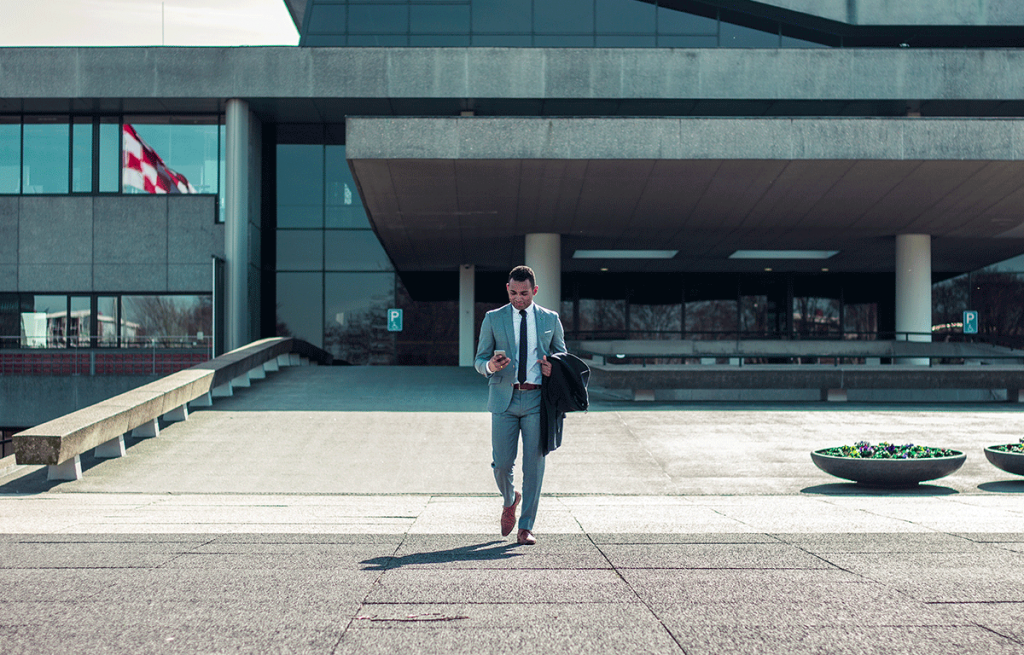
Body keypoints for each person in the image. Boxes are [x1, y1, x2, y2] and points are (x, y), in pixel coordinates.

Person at [474, 265, 566, 545]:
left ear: (534, 291)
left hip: (538, 400)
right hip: (504, 398)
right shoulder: (493, 318)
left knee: (534, 466)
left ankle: (526, 527)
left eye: (524, 293)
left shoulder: (551, 319)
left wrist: (555, 368)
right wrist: (489, 365)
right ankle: (509, 498)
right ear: (507, 289)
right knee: (502, 464)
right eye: (513, 292)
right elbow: (478, 361)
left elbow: (563, 356)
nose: (518, 298)